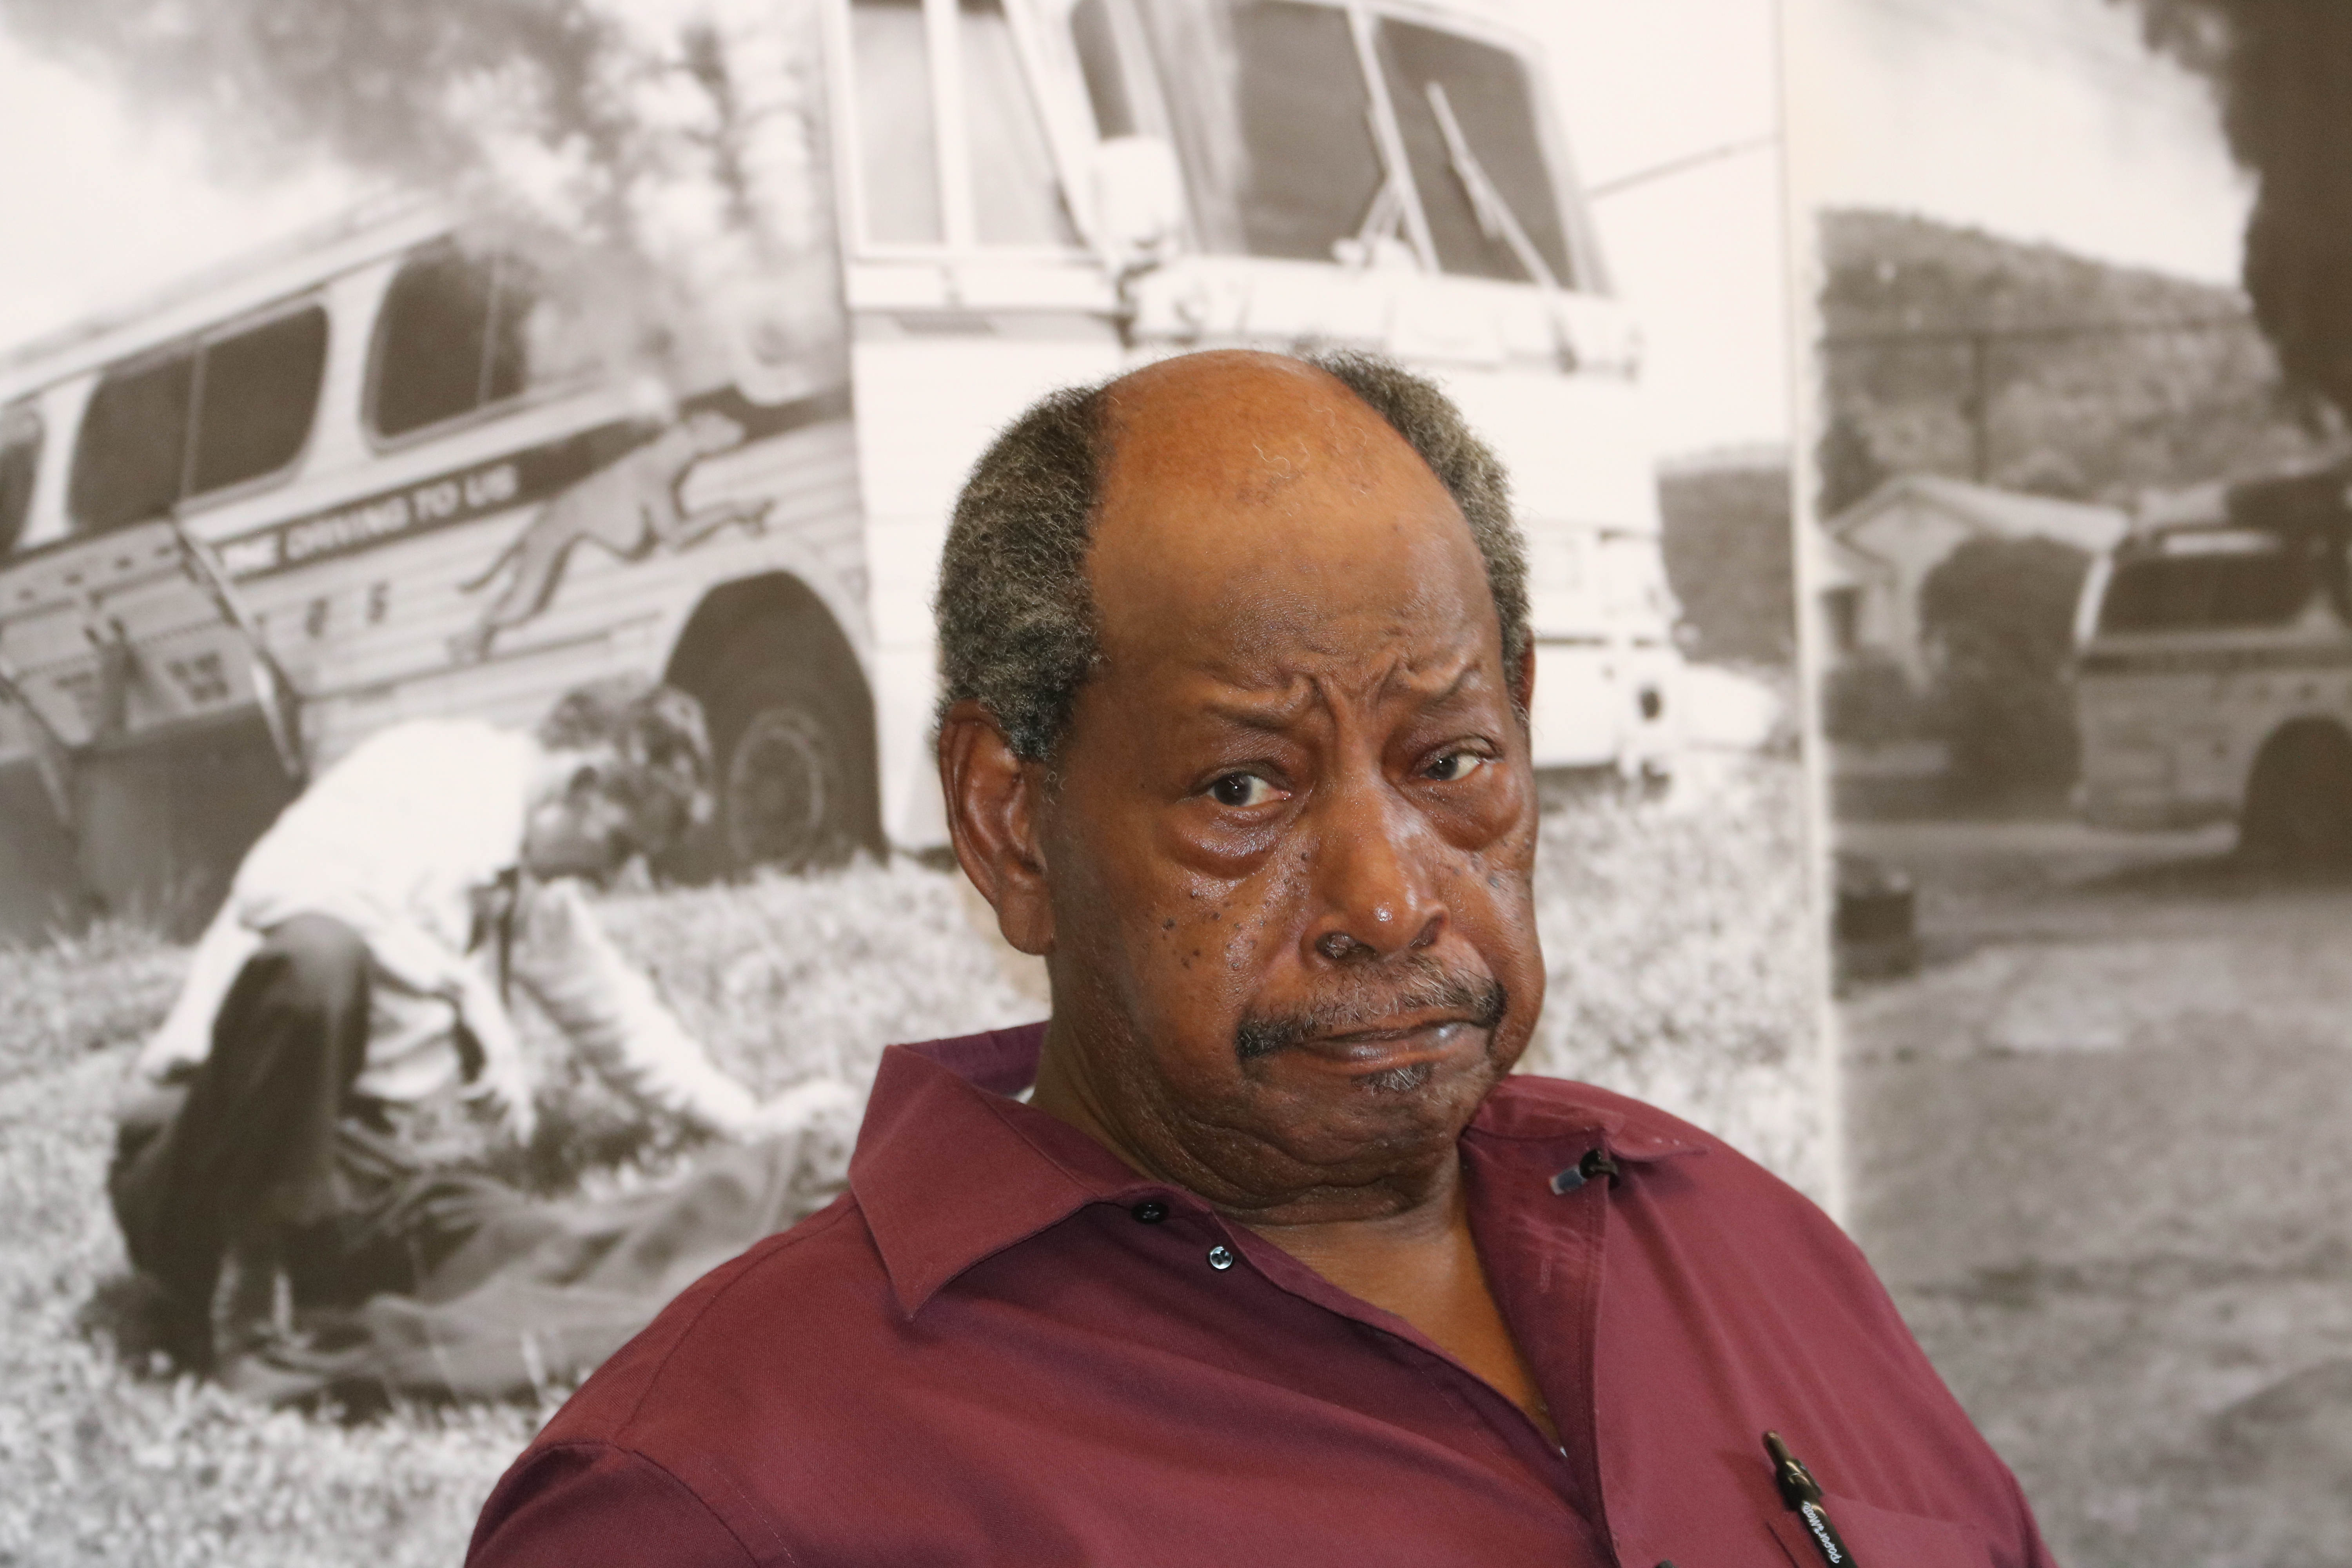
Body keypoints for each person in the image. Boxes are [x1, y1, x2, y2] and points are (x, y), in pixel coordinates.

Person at [468, 352, 2056, 1566]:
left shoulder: (1739, 1241)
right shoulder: (719, 1496)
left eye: (1449, 762)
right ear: (1011, 822)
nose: (1387, 899)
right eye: (1244, 789)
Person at [112, 679, 840, 1386]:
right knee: (317, 955)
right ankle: (249, 1315)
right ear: (582, 786)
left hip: (352, 1172)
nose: (616, 877)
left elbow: (612, 1012)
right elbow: (275, 886)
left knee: (540, 1246)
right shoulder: (422, 772)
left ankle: (786, 1220)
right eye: (620, 846)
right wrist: (457, 986)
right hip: (206, 1161)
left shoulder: (525, 875)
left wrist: (748, 1118)